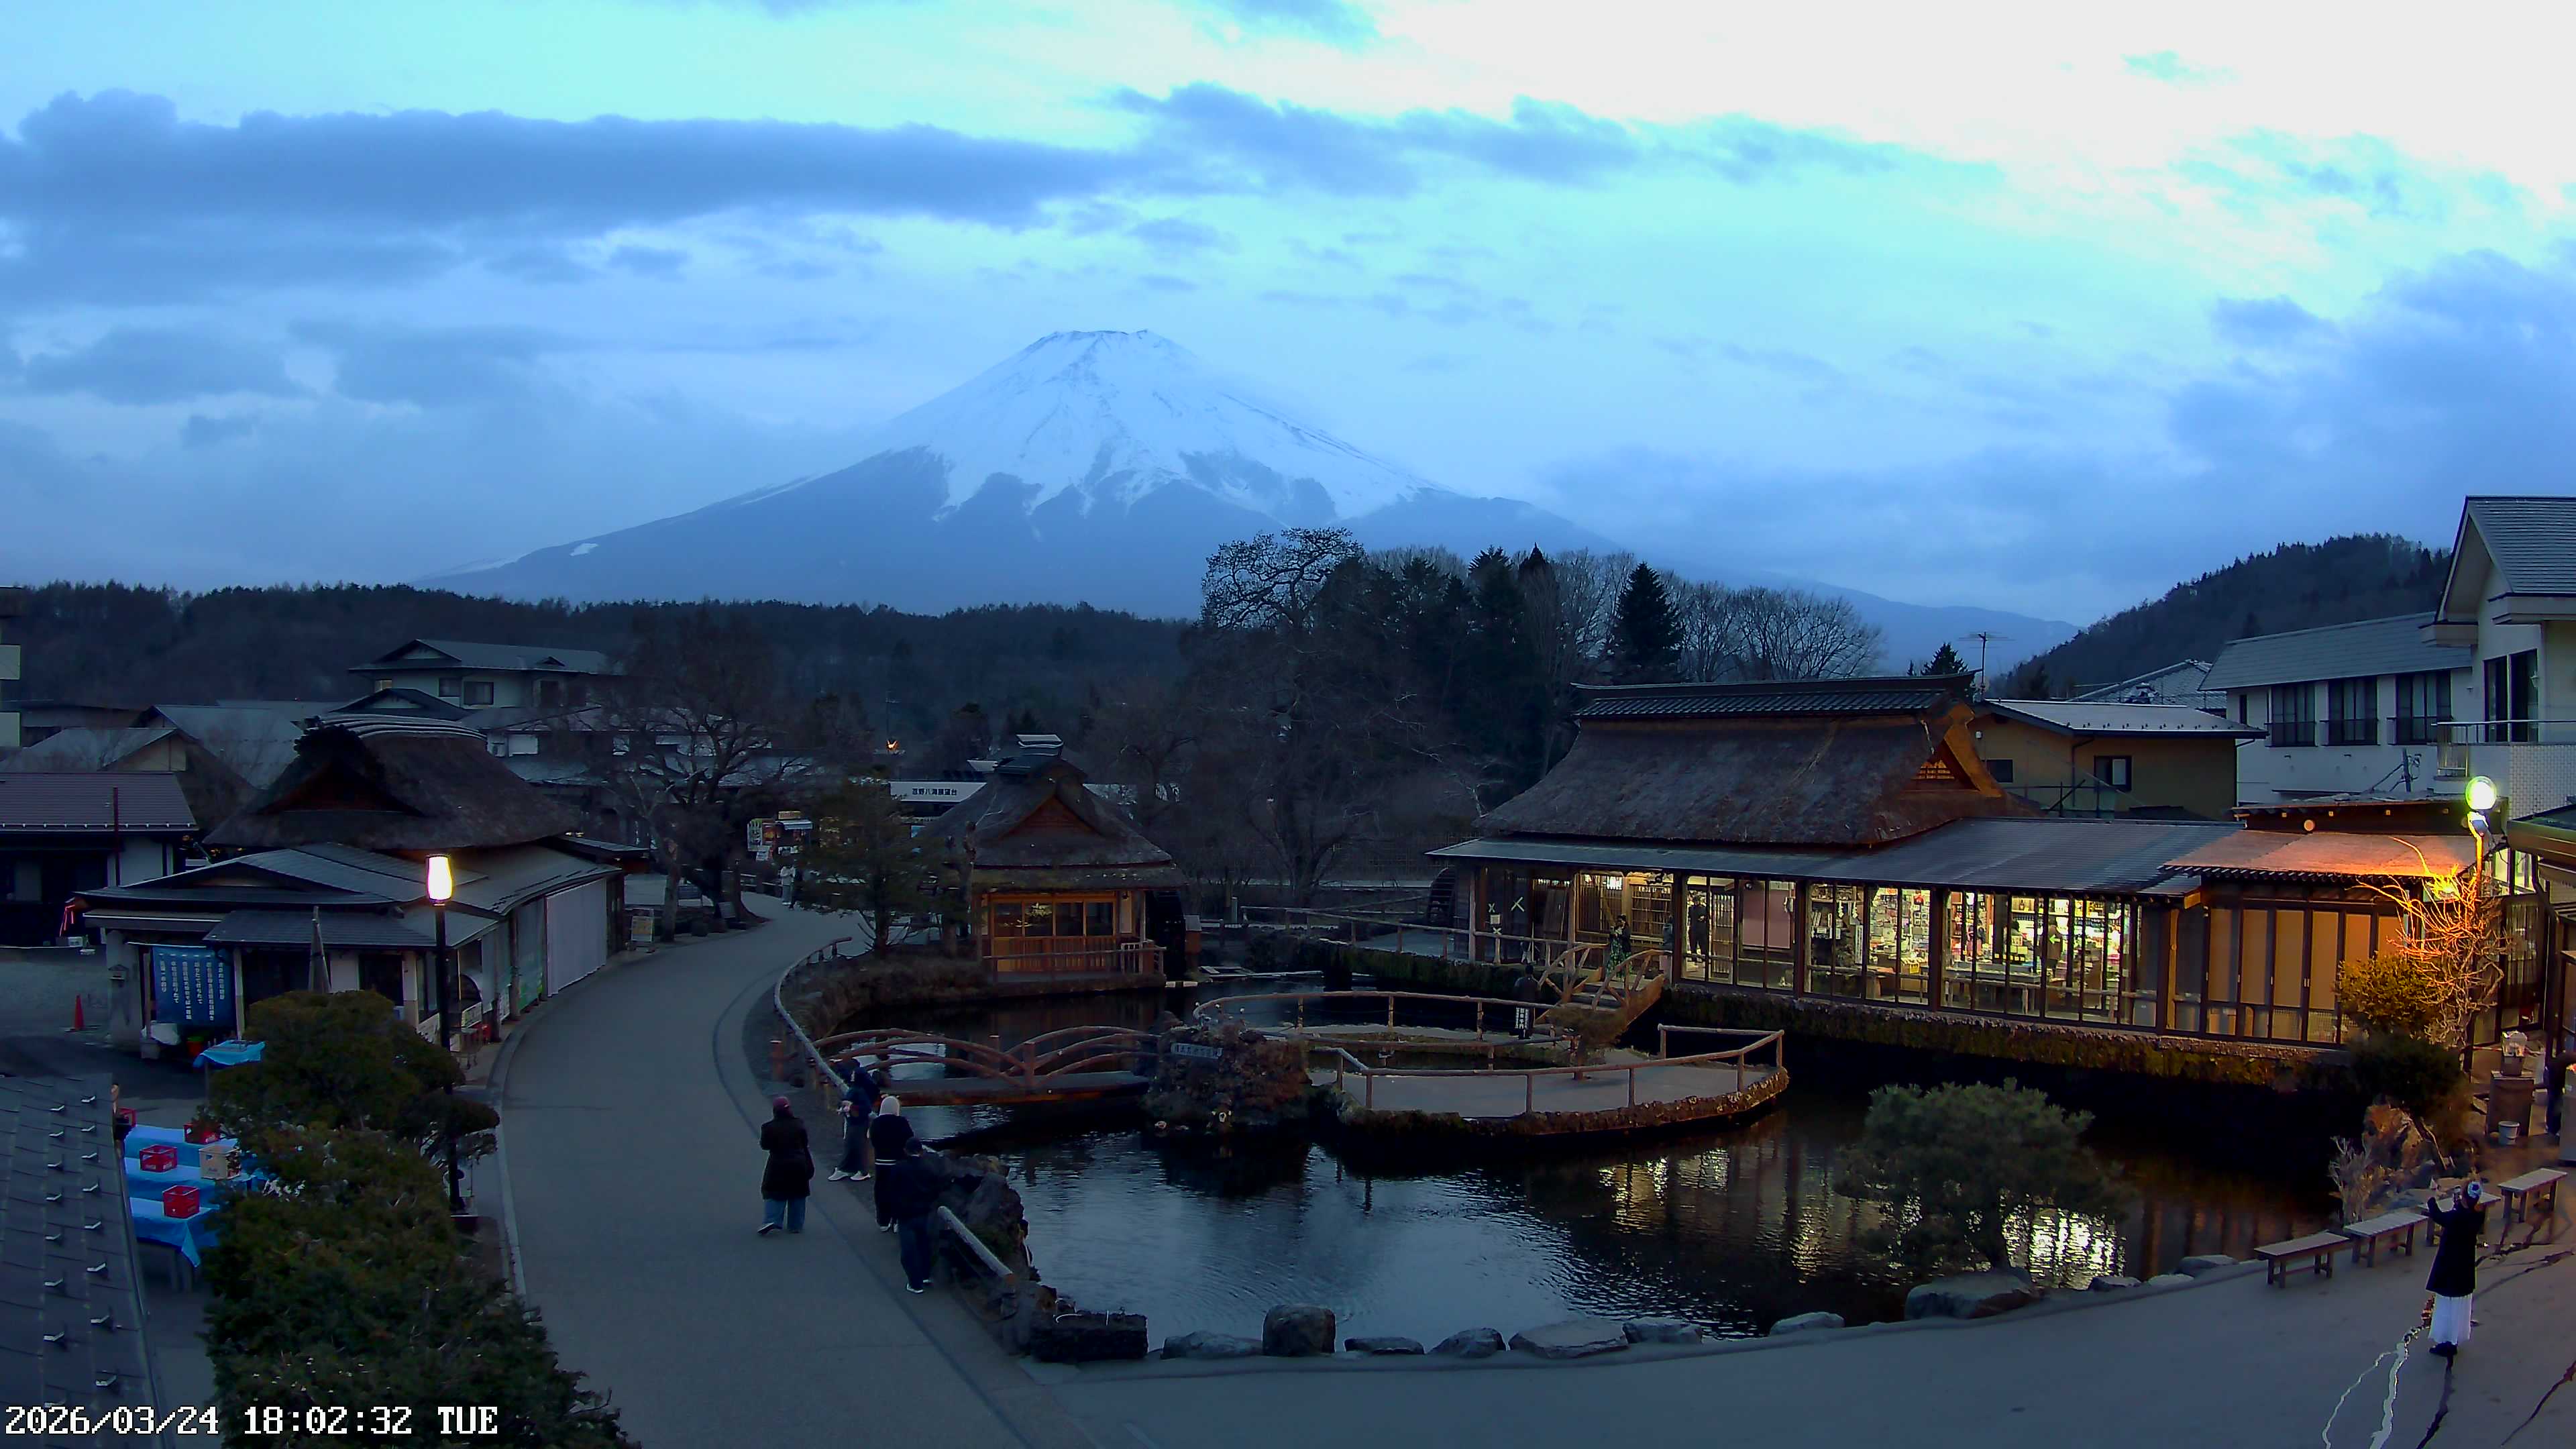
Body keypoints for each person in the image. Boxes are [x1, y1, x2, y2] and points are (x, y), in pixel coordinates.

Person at [2423, 1181, 2487, 1357]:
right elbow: (2462, 1212)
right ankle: (2454, 1339)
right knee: (2460, 1308)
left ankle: (2447, 1342)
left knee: (2446, 1306)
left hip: (2450, 1268)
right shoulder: (2476, 1216)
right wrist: (2460, 1203)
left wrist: (2432, 1198)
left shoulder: (2457, 1218)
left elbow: (2438, 1216)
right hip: (2464, 1270)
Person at [875, 1142, 940, 1293]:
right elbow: (936, 1189)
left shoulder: (899, 1168)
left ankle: (914, 1283)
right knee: (924, 1246)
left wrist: (892, 1212)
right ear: (922, 1151)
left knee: (909, 1250)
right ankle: (925, 1275)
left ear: (905, 1151)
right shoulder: (929, 1168)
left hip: (906, 1214)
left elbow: (890, 1191)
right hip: (924, 1212)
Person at [756, 1095, 813, 1236]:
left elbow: (765, 1145)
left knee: (774, 1190)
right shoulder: (799, 1124)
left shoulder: (768, 1127)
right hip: (799, 1162)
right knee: (798, 1193)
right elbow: (805, 1142)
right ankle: (796, 1225)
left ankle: (772, 1219)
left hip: (778, 1163)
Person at [827, 1055, 881, 1182]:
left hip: (858, 1120)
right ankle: (847, 1168)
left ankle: (861, 1171)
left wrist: (851, 1107)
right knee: (851, 1144)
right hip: (853, 1119)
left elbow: (866, 1108)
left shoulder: (860, 1090)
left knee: (858, 1145)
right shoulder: (857, 1084)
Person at [869, 1097, 920, 1230]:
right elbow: (909, 1139)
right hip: (899, 1162)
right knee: (899, 1191)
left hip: (881, 1162)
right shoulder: (901, 1122)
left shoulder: (876, 1122)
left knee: (881, 1191)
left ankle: (883, 1221)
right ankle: (897, 1220)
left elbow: (872, 1139)